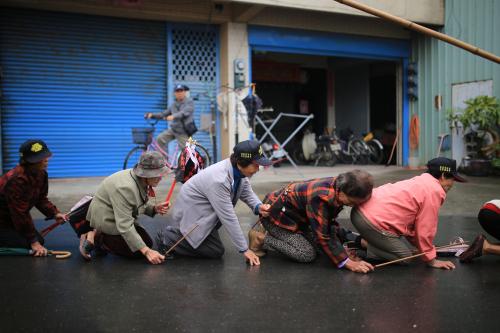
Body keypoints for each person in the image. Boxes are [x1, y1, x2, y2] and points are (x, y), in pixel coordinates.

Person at [156, 140, 272, 266]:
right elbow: (228, 216)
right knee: (215, 251)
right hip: (192, 217)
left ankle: (191, 236)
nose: (258, 169)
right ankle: (167, 238)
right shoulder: (219, 180)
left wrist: (258, 206)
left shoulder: (239, 172)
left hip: (205, 215)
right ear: (241, 162)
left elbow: (246, 192)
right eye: (255, 165)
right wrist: (245, 249)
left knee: (214, 249)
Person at [249, 170, 375, 274]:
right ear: (342, 191)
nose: (351, 206)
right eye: (352, 202)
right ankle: (261, 238)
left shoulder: (338, 186)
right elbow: (323, 236)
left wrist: (359, 241)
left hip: (298, 219)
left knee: (323, 250)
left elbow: (328, 225)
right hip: (276, 219)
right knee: (306, 254)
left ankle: (274, 235)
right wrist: (347, 262)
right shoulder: (321, 198)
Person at [351, 157, 466, 270]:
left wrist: (423, 250)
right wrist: (431, 260)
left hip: (360, 211)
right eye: (453, 179)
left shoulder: (421, 182)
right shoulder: (434, 190)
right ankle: (360, 250)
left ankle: (364, 242)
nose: (452, 184)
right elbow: (425, 229)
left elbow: (413, 228)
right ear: (443, 176)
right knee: (405, 257)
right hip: (370, 220)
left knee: (399, 242)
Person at [82, 151, 170, 264]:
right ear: (146, 174)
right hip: (106, 219)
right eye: (157, 174)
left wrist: (153, 209)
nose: (160, 177)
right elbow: (124, 225)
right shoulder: (126, 188)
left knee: (146, 242)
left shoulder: (138, 179)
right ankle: (98, 236)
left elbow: (135, 203)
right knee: (137, 252)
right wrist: (147, 252)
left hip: (117, 215)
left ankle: (98, 235)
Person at [0, 139, 66, 256]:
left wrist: (55, 213)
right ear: (28, 162)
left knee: (38, 240)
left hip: (12, 219)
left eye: (45, 156)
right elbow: (20, 213)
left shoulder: (41, 174)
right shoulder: (16, 180)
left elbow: (41, 199)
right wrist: (33, 242)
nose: (46, 160)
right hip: (3, 221)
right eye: (41, 158)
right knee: (34, 243)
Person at [144, 84, 194, 150]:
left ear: (184, 92)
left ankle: (199, 159)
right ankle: (163, 159)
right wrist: (152, 115)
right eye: (177, 91)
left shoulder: (189, 102)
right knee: (160, 139)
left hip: (184, 131)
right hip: (174, 129)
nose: (179, 93)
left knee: (186, 151)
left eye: (181, 91)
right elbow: (164, 114)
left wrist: (173, 116)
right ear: (174, 93)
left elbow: (184, 112)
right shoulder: (174, 104)